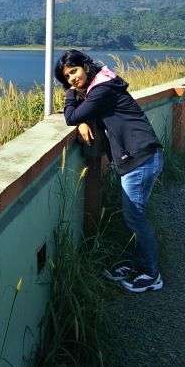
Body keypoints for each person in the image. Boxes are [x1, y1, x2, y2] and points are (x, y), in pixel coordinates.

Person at [55, 49, 164, 293]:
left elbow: (71, 116)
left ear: (85, 65)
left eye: (74, 71)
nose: (72, 79)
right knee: (133, 217)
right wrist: (84, 119)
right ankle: (140, 265)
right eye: (67, 78)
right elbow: (83, 114)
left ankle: (151, 274)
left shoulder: (102, 89)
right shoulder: (102, 86)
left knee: (135, 218)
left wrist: (70, 95)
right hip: (139, 158)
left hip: (141, 159)